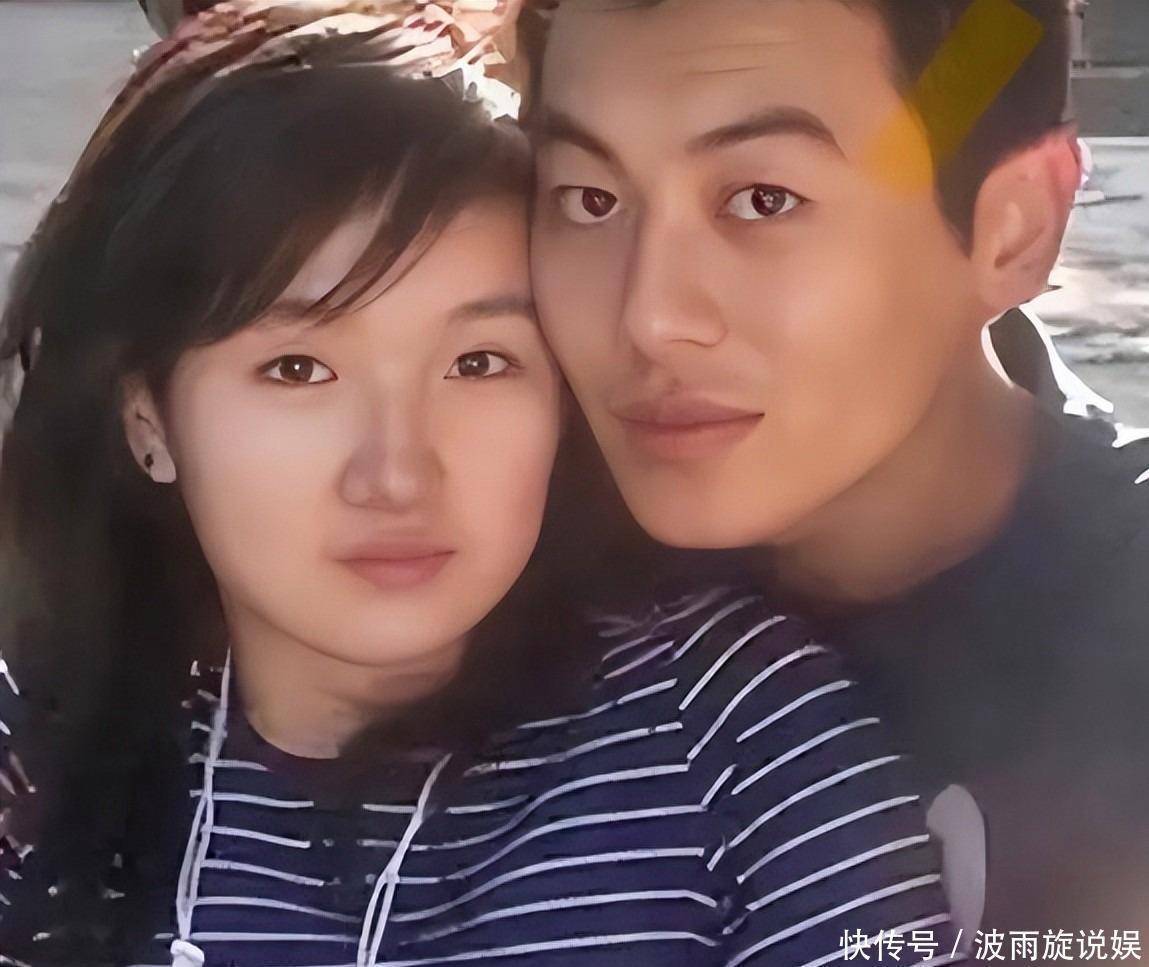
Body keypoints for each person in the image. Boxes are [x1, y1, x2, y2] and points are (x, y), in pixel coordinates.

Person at [0, 2, 958, 964]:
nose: (396, 475)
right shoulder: (37, 752)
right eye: (297, 369)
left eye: (478, 363)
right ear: (148, 420)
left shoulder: (729, 723)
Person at [528, 0, 1149, 938]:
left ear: (1012, 230)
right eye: (588, 200)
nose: (648, 318)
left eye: (762, 199)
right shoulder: (475, 569)